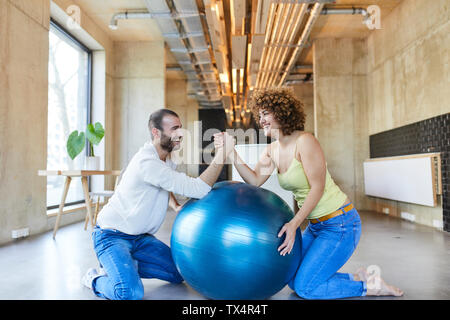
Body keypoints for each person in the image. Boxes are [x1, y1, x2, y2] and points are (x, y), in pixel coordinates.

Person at [215, 87, 403, 299]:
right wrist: (232, 152)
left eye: (266, 113)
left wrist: (294, 224)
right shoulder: (272, 150)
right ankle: (359, 278)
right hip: (316, 226)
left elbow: (318, 187)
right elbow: (254, 180)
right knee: (293, 279)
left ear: (282, 112)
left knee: (306, 288)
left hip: (340, 223)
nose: (262, 120)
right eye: (260, 115)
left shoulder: (305, 141)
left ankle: (370, 287)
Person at [82, 108, 235, 300]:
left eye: (180, 128)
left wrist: (174, 205)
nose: (180, 133)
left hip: (140, 239)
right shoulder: (148, 162)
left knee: (181, 272)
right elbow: (199, 188)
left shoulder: (165, 158)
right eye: (174, 129)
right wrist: (222, 154)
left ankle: (127, 265)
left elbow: (165, 183)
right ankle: (95, 278)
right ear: (156, 132)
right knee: (128, 293)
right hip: (111, 236)